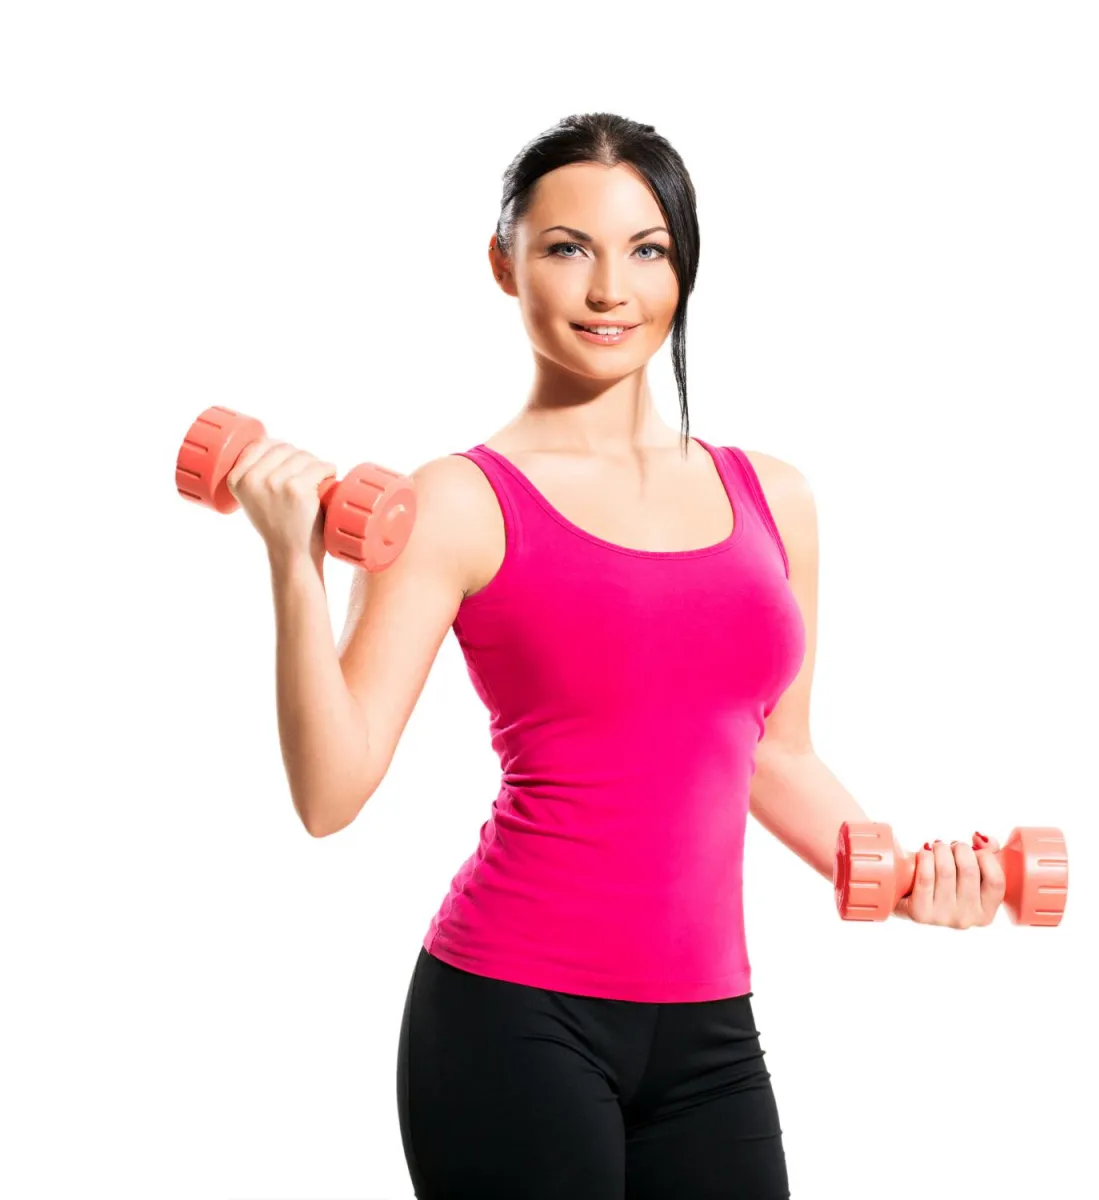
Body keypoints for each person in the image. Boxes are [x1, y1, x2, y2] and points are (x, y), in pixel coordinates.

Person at [225, 111, 1007, 1200]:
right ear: (503, 264)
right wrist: (292, 566)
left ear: (684, 266)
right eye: (566, 248)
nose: (610, 291)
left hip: (712, 1037)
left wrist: (905, 879)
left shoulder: (773, 496)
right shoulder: (457, 502)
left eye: (647, 250)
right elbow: (329, 791)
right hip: (511, 1019)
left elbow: (774, 754)